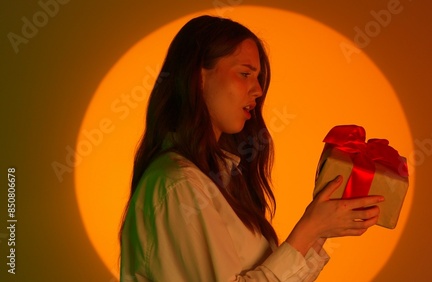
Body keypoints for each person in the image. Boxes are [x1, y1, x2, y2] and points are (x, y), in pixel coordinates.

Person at [120, 15, 384, 281]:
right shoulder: (177, 185)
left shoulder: (215, 178)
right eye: (245, 74)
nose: (258, 90)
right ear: (198, 77)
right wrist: (309, 228)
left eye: (258, 78)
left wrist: (320, 229)